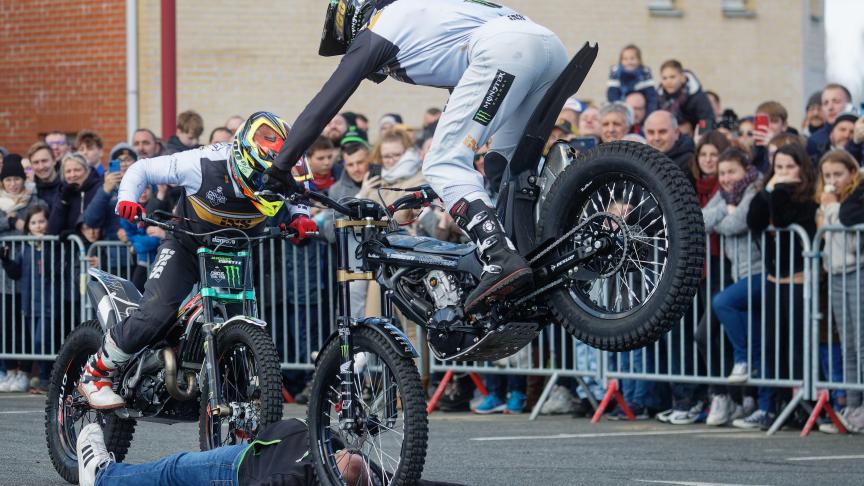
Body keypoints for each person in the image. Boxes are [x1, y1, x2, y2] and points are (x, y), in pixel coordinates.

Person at [268, 0, 569, 313]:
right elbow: (461, 98)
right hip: (548, 47)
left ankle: (499, 254)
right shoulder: (426, 16)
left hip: (507, 49)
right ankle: (541, 246)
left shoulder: (379, 27)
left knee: (442, 162)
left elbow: (325, 104)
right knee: (502, 164)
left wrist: (280, 166)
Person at [76, 112, 318, 409]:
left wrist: (301, 217)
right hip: (186, 245)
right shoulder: (201, 163)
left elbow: (300, 191)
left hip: (234, 251)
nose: (269, 187)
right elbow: (142, 168)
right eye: (264, 179)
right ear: (244, 159)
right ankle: (96, 372)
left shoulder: (282, 164)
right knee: (156, 313)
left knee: (239, 321)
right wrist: (128, 198)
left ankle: (233, 396)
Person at [75, 420, 464, 486]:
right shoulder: (372, 474)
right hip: (264, 443)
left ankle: (104, 476)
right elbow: (419, 481)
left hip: (236, 469)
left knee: (174, 470)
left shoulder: (297, 475)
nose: (348, 457)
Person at [734, 142, 817, 430]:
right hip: (772, 278)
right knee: (771, 344)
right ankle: (769, 406)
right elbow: (753, 220)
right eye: (778, 168)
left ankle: (800, 405)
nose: (782, 173)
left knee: (795, 345)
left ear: (802, 169)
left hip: (798, 280)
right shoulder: (771, 192)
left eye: (789, 168)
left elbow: (782, 218)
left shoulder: (807, 198)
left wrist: (778, 190)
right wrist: (768, 191)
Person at [703, 148, 763, 426]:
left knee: (722, 302)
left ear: (745, 170)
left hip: (761, 272)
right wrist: (723, 212)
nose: (726, 178)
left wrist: (724, 217)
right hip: (739, 274)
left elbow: (738, 222)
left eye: (732, 172)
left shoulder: (754, 187)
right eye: (722, 173)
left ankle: (745, 360)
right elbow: (702, 219)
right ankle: (749, 400)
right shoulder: (725, 195)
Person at [815, 150, 864, 432]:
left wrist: (831, 209)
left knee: (860, 342)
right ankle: (852, 404)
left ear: (851, 174)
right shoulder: (825, 203)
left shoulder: (851, 202)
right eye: (828, 175)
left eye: (838, 174)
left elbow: (851, 241)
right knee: (847, 344)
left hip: (856, 271)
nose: (833, 181)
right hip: (834, 275)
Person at [0, 206, 55, 393]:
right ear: (28, 226)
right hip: (30, 305)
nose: (38, 226)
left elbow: (50, 270)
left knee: (41, 341)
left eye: (41, 221)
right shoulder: (25, 247)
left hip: (48, 304)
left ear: (48, 223)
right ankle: (44, 379)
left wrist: (44, 246)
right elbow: (16, 273)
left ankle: (47, 378)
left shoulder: (52, 245)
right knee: (37, 343)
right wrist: (6, 261)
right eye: (33, 222)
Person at [83, 144, 139, 240]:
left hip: (141, 248)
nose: (124, 164)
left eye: (128, 159)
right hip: (112, 250)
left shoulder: (146, 185)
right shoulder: (104, 186)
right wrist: (105, 190)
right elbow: (90, 221)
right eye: (119, 161)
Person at [47, 153, 102, 236]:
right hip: (69, 247)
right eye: (68, 171)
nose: (72, 175)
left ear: (87, 170)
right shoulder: (60, 193)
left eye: (77, 170)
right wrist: (63, 201)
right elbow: (53, 230)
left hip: (95, 246)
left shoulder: (98, 189)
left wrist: (76, 233)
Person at [656, 59, 714, 136]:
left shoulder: (697, 96)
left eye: (672, 77)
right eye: (664, 78)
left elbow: (706, 119)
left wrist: (700, 138)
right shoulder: (659, 97)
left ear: (682, 77)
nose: (668, 81)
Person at [806, 83, 853, 161]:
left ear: (849, 105)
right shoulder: (814, 141)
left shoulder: (860, 136)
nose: (830, 107)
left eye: (836, 101)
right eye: (825, 103)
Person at [606, 44, 657, 114]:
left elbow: (651, 97)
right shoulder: (615, 73)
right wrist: (617, 113)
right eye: (625, 59)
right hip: (621, 109)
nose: (629, 62)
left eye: (632, 58)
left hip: (640, 110)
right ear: (621, 61)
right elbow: (612, 96)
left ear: (639, 60)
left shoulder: (645, 74)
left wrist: (649, 114)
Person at [643, 110, 695, 174]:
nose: (656, 138)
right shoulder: (639, 159)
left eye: (662, 132)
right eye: (651, 132)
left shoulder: (690, 162)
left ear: (676, 133)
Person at [27, 142, 61, 206]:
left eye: (44, 161)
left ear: (54, 161)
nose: (41, 167)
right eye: (36, 162)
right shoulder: (29, 192)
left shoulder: (67, 186)